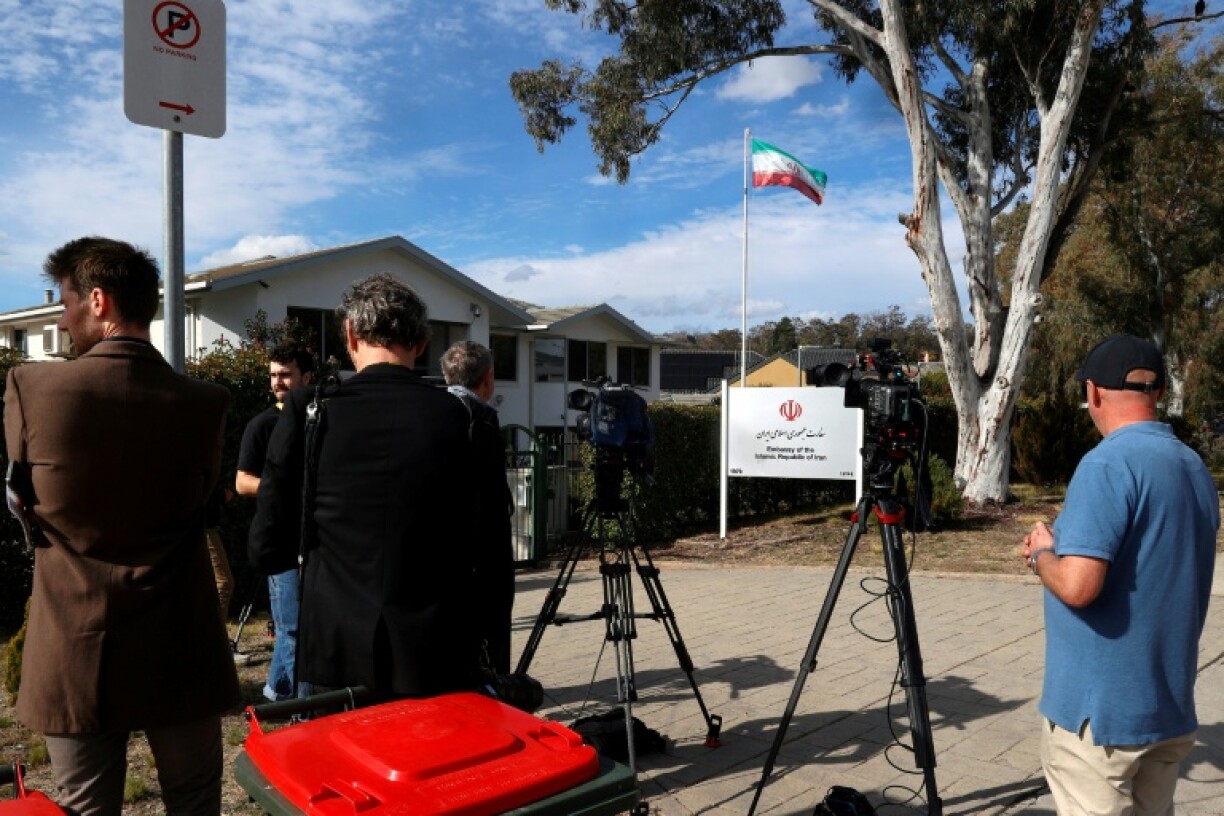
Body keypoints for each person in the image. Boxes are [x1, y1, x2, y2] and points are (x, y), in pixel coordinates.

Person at [3, 236, 238, 815]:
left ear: (99, 301)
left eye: (66, 304)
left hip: (74, 641)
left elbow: (20, 501)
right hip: (180, 641)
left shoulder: (32, 388)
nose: (62, 319)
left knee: (86, 807)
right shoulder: (206, 402)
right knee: (195, 800)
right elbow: (200, 500)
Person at [248, 274, 495, 697]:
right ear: (420, 344)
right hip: (434, 648)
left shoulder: (309, 408)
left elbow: (267, 543)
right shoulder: (466, 417)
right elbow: (484, 543)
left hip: (334, 644)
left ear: (349, 334)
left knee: (339, 760)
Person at [1022, 334, 1218, 815]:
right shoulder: (1193, 466)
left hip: (1101, 719)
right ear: (1159, 389)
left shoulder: (1107, 463)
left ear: (1093, 392)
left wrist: (1041, 553)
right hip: (1167, 707)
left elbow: (1078, 586)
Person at [234, 341, 315, 699]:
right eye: (273, 375)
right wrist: (286, 487)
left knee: (306, 627)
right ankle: (284, 700)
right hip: (281, 540)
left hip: (317, 539)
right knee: (291, 627)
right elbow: (242, 482)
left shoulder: (319, 419)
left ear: (307, 377)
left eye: (285, 374)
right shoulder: (262, 425)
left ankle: (278, 694)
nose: (277, 382)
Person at [441, 340, 515, 674]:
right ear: (487, 378)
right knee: (490, 644)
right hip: (483, 554)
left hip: (443, 551)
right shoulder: (482, 418)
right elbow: (492, 496)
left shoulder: (433, 411)